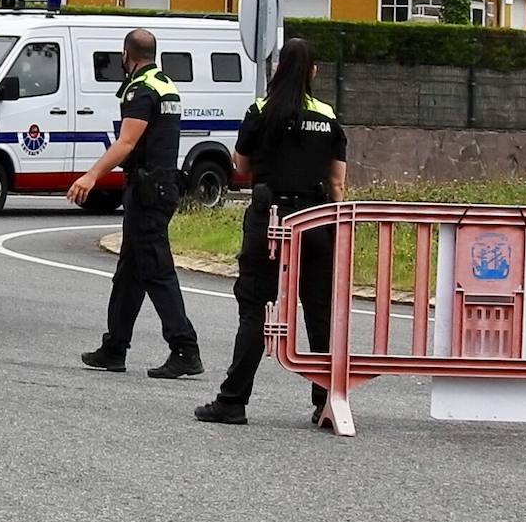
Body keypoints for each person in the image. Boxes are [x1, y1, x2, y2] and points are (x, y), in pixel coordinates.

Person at [194, 38, 347, 425]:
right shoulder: (328, 116)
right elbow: (337, 183)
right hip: (315, 220)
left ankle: (233, 401)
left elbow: (241, 166)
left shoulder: (260, 111)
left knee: (255, 309)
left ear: (278, 70)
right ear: (313, 72)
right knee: (318, 311)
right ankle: (324, 400)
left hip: (270, 219)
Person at [68, 29, 203, 379]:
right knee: (129, 272)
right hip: (159, 186)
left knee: (156, 270)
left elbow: (126, 143)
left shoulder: (141, 90)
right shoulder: (165, 84)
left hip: (148, 190)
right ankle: (115, 347)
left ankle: (185, 348)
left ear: (127, 55)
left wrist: (91, 175)